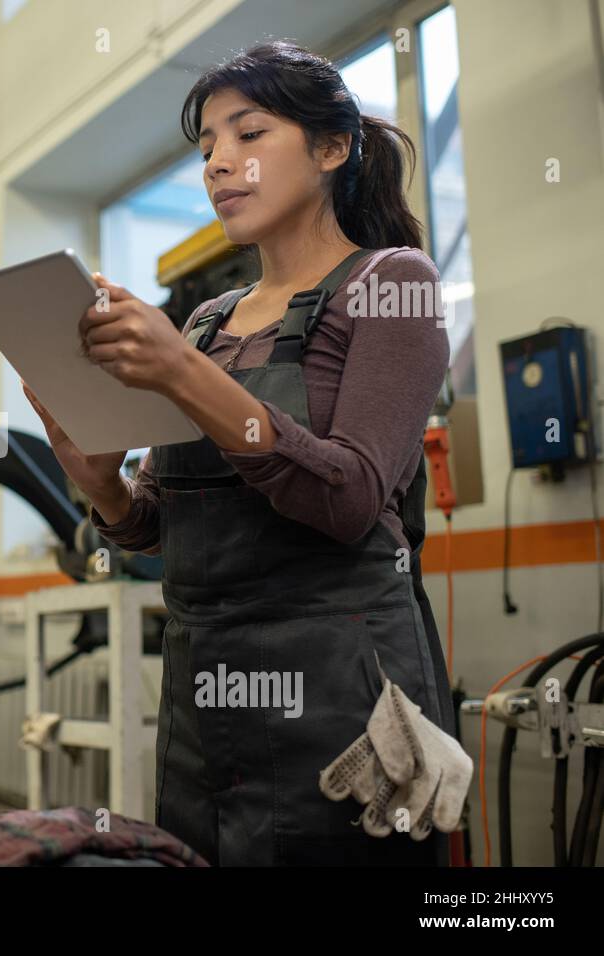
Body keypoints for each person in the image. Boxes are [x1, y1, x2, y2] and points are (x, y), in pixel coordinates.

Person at [23, 41, 459, 866]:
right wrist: (102, 488)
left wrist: (182, 373)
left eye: (249, 135)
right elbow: (158, 524)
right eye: (208, 150)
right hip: (201, 698)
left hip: (341, 698)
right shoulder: (206, 324)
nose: (221, 165)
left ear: (331, 149)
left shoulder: (392, 285)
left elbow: (348, 497)